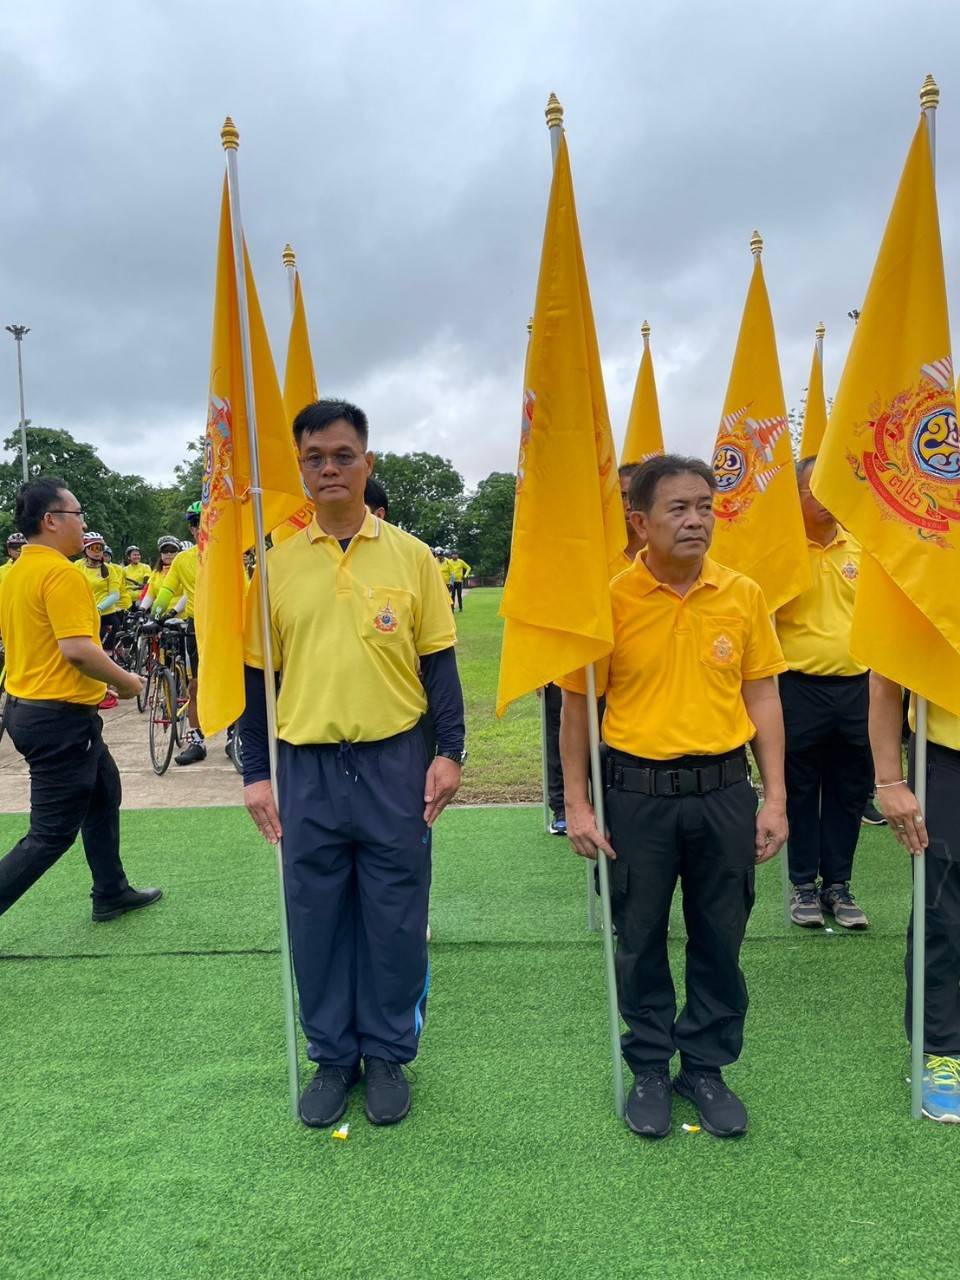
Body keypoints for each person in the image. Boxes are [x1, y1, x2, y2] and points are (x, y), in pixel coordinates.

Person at [241, 399, 465, 1130]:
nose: (329, 468)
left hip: (394, 761)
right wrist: (254, 771)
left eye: (343, 455)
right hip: (305, 765)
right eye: (315, 458)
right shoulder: (273, 568)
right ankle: (333, 1057)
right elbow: (255, 681)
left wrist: (449, 753)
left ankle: (389, 1053)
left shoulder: (412, 557)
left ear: (368, 461)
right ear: (301, 469)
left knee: (395, 916)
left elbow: (440, 667)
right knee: (316, 916)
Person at [559, 454, 788, 1139]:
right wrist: (577, 801)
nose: (695, 520)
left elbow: (763, 695)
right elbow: (577, 708)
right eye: (677, 509)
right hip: (638, 796)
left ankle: (707, 1068)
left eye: (705, 507)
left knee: (722, 934)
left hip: (722, 792)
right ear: (639, 521)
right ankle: (652, 1066)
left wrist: (774, 797)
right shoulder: (606, 601)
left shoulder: (743, 594)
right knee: (641, 937)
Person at [0, 477, 160, 921]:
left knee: (104, 792)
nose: (84, 525)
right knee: (49, 835)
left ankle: (111, 891)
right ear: (50, 521)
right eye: (78, 515)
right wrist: (127, 681)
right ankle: (109, 891)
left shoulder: (14, 574)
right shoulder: (59, 573)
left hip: (32, 708)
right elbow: (77, 650)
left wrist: (98, 682)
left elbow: (48, 645)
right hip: (59, 719)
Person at [775, 456, 872, 929]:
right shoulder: (781, 555)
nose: (825, 500)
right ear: (793, 495)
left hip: (859, 690)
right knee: (799, 790)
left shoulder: (863, 549)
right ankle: (802, 886)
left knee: (849, 791)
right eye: (814, 489)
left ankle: (838, 884)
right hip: (798, 690)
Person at [869, 677, 960, 1123]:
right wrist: (888, 780)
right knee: (942, 913)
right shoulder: (932, 601)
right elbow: (885, 675)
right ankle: (940, 1049)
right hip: (948, 758)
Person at [152, 505, 202, 766]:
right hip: (198, 626)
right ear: (191, 528)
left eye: (207, 521)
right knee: (195, 686)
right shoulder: (183, 560)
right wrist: (154, 616)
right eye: (196, 523)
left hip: (228, 625)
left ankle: (234, 736)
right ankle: (197, 739)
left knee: (238, 683)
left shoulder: (232, 551)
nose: (201, 527)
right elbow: (167, 590)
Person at [75, 532, 131, 710]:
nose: (98, 552)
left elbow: (114, 595)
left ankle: (108, 692)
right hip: (84, 617)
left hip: (106, 617)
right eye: (94, 548)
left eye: (100, 548)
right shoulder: (77, 566)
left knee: (104, 654)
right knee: (85, 655)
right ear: (85, 550)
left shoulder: (111, 570)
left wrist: (98, 608)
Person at [139, 536, 182, 612]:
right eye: (165, 551)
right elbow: (150, 594)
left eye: (172, 550)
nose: (169, 553)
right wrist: (142, 609)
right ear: (161, 553)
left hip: (181, 617)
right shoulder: (156, 573)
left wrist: (174, 612)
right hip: (158, 615)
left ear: (178, 552)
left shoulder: (184, 571)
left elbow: (188, 595)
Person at [618, 462, 645, 565]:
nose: (629, 506)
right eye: (622, 496)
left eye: (636, 496)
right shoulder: (602, 553)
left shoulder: (665, 553)